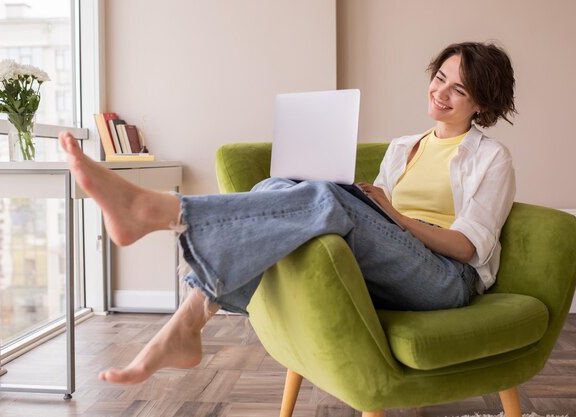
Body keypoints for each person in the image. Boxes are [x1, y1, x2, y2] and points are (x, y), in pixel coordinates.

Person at [58, 41, 516, 385]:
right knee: (279, 185)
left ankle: (158, 212)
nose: (442, 92)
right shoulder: (403, 147)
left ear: (481, 103)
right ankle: (185, 325)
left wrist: (391, 214)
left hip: (444, 278)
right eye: (440, 77)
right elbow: (379, 221)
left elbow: (467, 246)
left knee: (326, 199)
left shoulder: (490, 157)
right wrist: (373, 206)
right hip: (395, 256)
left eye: (460, 89)